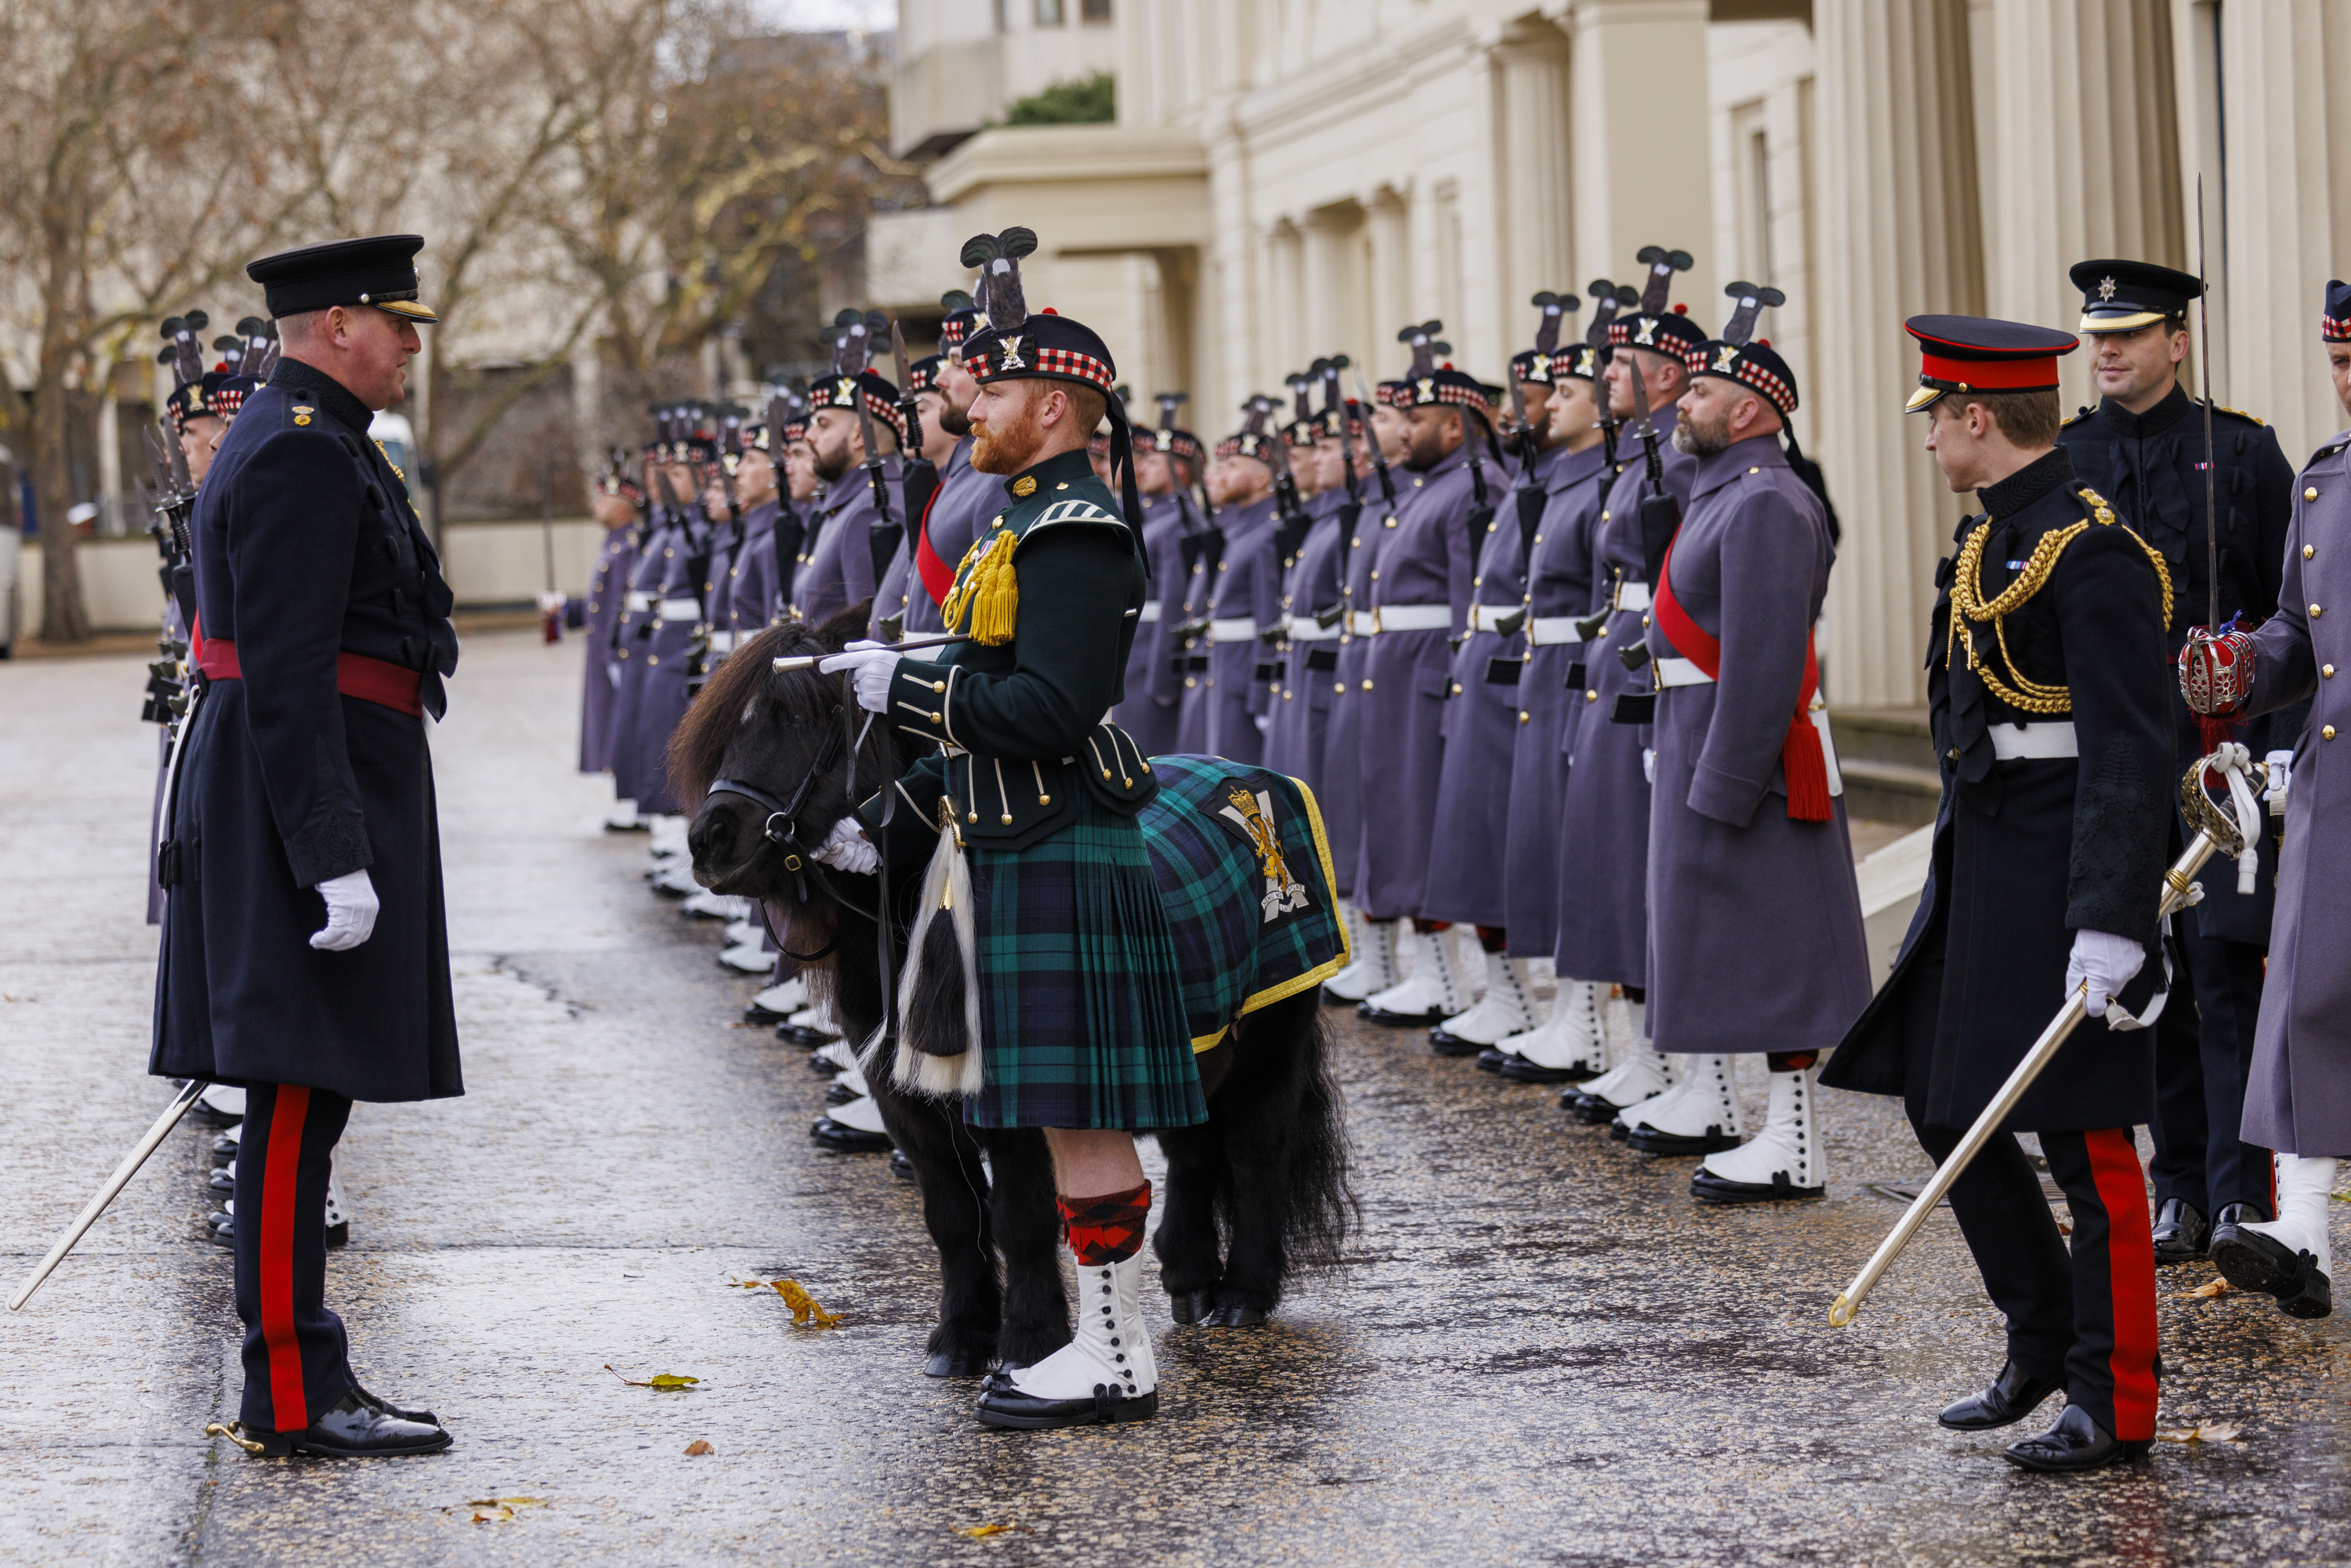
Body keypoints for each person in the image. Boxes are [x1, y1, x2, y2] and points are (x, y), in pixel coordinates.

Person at [820, 226, 1195, 1429]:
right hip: (1009, 843)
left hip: (1055, 846)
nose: (971, 402)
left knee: (1082, 1118)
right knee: (1056, 1114)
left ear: (1055, 404)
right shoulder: (1018, 518)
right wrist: (895, 798)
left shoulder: (1074, 529)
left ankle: (1117, 1355)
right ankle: (1106, 1342)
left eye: (996, 390)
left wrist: (909, 687)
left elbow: (1046, 708)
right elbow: (998, 683)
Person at [1822, 315, 2173, 1473]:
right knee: (1941, 1095)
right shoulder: (1991, 543)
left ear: (1978, 417)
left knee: (2086, 1139)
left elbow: (2131, 745)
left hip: (2067, 863)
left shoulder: (2096, 551)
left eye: (1937, 419)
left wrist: (2114, 916)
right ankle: (2043, 1337)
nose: (1926, 440)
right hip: (1982, 852)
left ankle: (2113, 1397)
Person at [151, 234, 458, 1458]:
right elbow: (281, 666)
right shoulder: (295, 452)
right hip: (299, 787)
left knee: (305, 1090)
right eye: (399, 323)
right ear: (337, 324)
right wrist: (330, 847)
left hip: (314, 776)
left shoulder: (313, 435)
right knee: (290, 1093)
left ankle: (305, 1372)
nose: (413, 345)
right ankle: (290, 1388)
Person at [2055, 259, 2298, 1266]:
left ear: (2178, 342)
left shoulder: (2241, 451)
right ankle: (2180, 1190)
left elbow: (2298, 616)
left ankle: (2242, 1197)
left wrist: (2275, 756)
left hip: (2222, 746)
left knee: (2227, 970)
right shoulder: (2066, 457)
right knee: (2143, 969)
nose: (2108, 349)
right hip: (2117, 750)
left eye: (2131, 333)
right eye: (2098, 334)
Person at [1636, 284, 1871, 1198]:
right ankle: (1766, 1123)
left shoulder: (1767, 500)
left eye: (1697, 393)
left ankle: (1796, 1141)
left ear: (1751, 409)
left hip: (1754, 755)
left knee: (1780, 951)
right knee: (1732, 941)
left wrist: (1725, 778)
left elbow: (1769, 661)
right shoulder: (1724, 490)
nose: (1680, 404)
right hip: (1702, 729)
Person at [2179, 277, 2351, 1320]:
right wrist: (2241, 665)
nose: (2347, 382)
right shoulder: (2325, 479)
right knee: (2313, 1001)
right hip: (2338, 784)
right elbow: (2299, 631)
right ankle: (2305, 1230)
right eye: (2338, 362)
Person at [1559, 249, 1705, 1126]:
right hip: (1621, 656)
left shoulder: (1679, 461)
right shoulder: (1637, 456)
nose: (1606, 375)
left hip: (1657, 665)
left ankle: (1694, 1073)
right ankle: (1649, 1057)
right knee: (1617, 865)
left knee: (1653, 870)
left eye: (1619, 365)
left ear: (1660, 376)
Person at [1422, 301, 1569, 1056]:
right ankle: (1508, 997)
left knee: (1555, 855)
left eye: (1540, 400)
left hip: (1541, 675)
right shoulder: (1524, 480)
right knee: (1480, 844)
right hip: (1497, 669)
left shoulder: (1501, 479)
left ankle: (1581, 1024)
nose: (1523, 414)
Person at [1351, 326, 1500, 1027]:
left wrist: (1455, 686)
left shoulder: (1473, 485)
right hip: (1399, 671)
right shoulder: (1423, 488)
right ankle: (1433, 973)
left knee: (1430, 825)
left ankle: (1454, 978)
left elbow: (1473, 599)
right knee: (1400, 820)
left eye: (1415, 419)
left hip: (1432, 672)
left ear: (1454, 423)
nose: (1400, 431)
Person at [1489, 300, 1619, 1082]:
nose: (1543, 405)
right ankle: (1576, 1013)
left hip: (1585, 677)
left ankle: (1594, 1023)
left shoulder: (1601, 479)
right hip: (1553, 672)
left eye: (1564, 392)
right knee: (1555, 850)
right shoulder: (1563, 476)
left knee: (1588, 854)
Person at [1114, 395, 1206, 755]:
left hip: (1150, 660)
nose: (1142, 469)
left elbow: (1174, 602)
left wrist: (1162, 678)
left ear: (1179, 470)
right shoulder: (1155, 520)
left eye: (1152, 461)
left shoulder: (1178, 524)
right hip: (1135, 652)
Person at [792, 321, 899, 626]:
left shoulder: (871, 508)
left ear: (859, 437)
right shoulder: (846, 505)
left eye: (823, 425)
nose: (809, 436)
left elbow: (867, 638)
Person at [1194, 404, 1281, 765]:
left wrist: (1262, 695)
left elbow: (1269, 619)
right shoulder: (1240, 528)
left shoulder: (1269, 532)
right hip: (1225, 668)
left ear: (1262, 478)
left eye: (1232, 467)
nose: (1220, 475)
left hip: (1244, 674)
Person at [581, 454, 643, 804]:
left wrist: (617, 654)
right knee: (610, 723)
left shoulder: (627, 547)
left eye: (604, 498)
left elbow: (621, 605)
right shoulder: (614, 545)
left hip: (616, 651)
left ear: (623, 508)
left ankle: (631, 803)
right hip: (605, 650)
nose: (596, 505)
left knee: (622, 724)